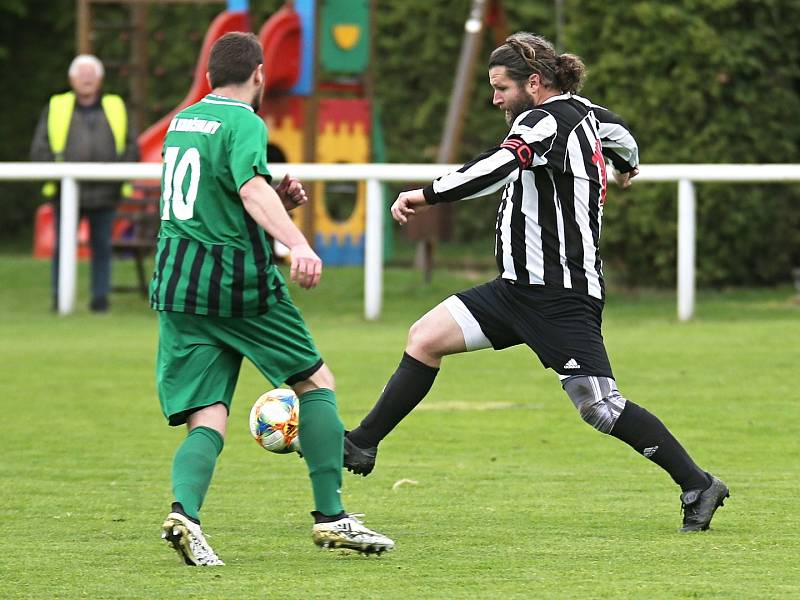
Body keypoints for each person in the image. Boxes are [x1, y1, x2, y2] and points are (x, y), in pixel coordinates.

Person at [344, 32, 729, 534]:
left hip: (559, 295)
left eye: (501, 87)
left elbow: (500, 166)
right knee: (425, 337)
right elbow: (625, 139)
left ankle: (698, 483)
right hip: (515, 289)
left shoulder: (542, 119)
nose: (495, 98)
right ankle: (363, 441)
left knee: (599, 405)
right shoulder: (591, 114)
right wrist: (625, 166)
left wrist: (427, 195)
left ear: (533, 82)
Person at [151, 32, 393, 566]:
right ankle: (332, 518)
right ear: (259, 74)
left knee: (207, 413)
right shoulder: (246, 122)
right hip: (234, 282)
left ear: (211, 74)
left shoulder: (183, 121)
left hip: (177, 283)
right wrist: (298, 242)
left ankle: (185, 514)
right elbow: (248, 191)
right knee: (315, 381)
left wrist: (275, 200)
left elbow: (214, 196)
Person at [30, 54, 139, 312]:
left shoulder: (115, 105)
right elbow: (41, 146)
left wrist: (117, 176)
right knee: (62, 249)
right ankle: (60, 300)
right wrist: (58, 175)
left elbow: (131, 146)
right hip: (65, 193)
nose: (86, 79)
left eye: (91, 74)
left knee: (102, 248)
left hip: (105, 192)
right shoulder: (57, 105)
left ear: (100, 79)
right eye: (82, 74)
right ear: (72, 79)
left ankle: (100, 301)